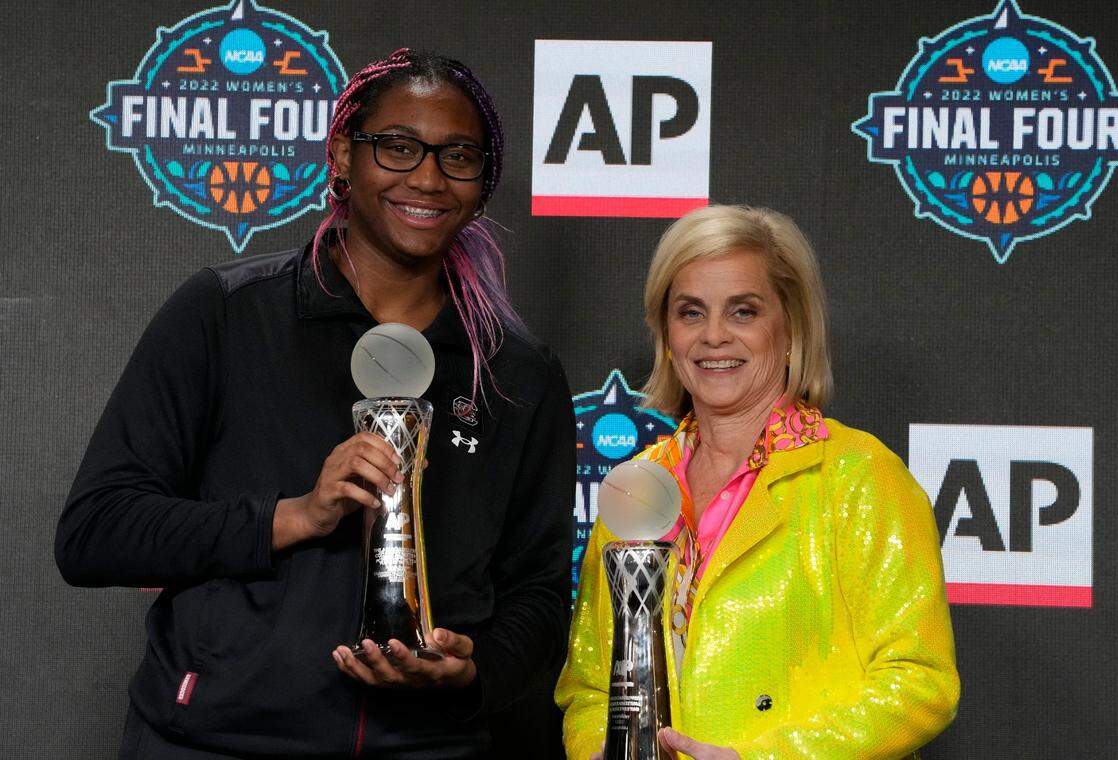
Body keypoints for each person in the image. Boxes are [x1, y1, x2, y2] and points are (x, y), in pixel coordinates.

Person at [57, 48, 575, 759]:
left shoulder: (519, 372)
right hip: (218, 742)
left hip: (426, 745)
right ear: (341, 154)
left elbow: (540, 596)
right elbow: (96, 531)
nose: (427, 176)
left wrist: (475, 668)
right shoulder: (228, 315)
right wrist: (295, 516)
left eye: (459, 156)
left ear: (482, 182)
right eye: (397, 147)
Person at [556, 205, 959, 759]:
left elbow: (921, 681)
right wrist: (598, 749)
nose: (714, 336)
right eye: (690, 313)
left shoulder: (859, 475)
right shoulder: (638, 485)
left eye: (743, 312)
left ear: (791, 327)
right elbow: (590, 686)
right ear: (666, 334)